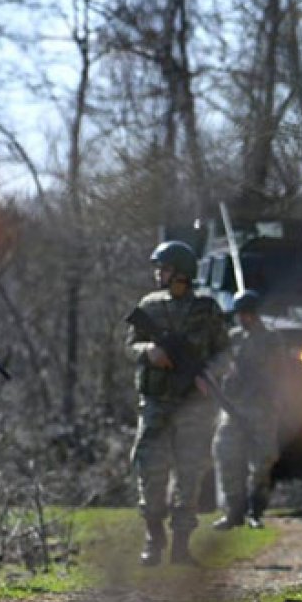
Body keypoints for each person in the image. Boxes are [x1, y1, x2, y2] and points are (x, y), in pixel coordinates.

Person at [125, 240, 229, 566]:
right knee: (150, 473)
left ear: (182, 273)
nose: (159, 273)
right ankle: (153, 538)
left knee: (190, 475)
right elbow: (130, 345)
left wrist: (207, 375)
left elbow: (224, 353)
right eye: (159, 268)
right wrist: (148, 352)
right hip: (155, 402)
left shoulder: (207, 309)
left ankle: (181, 546)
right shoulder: (150, 305)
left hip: (193, 406)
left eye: (165, 268)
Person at [212, 290, 285, 530]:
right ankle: (233, 511)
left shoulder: (270, 339)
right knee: (225, 455)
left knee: (262, 462)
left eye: (247, 313)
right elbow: (219, 364)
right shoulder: (232, 338)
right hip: (233, 407)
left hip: (262, 407)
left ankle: (256, 509)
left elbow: (276, 368)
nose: (243, 318)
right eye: (240, 314)